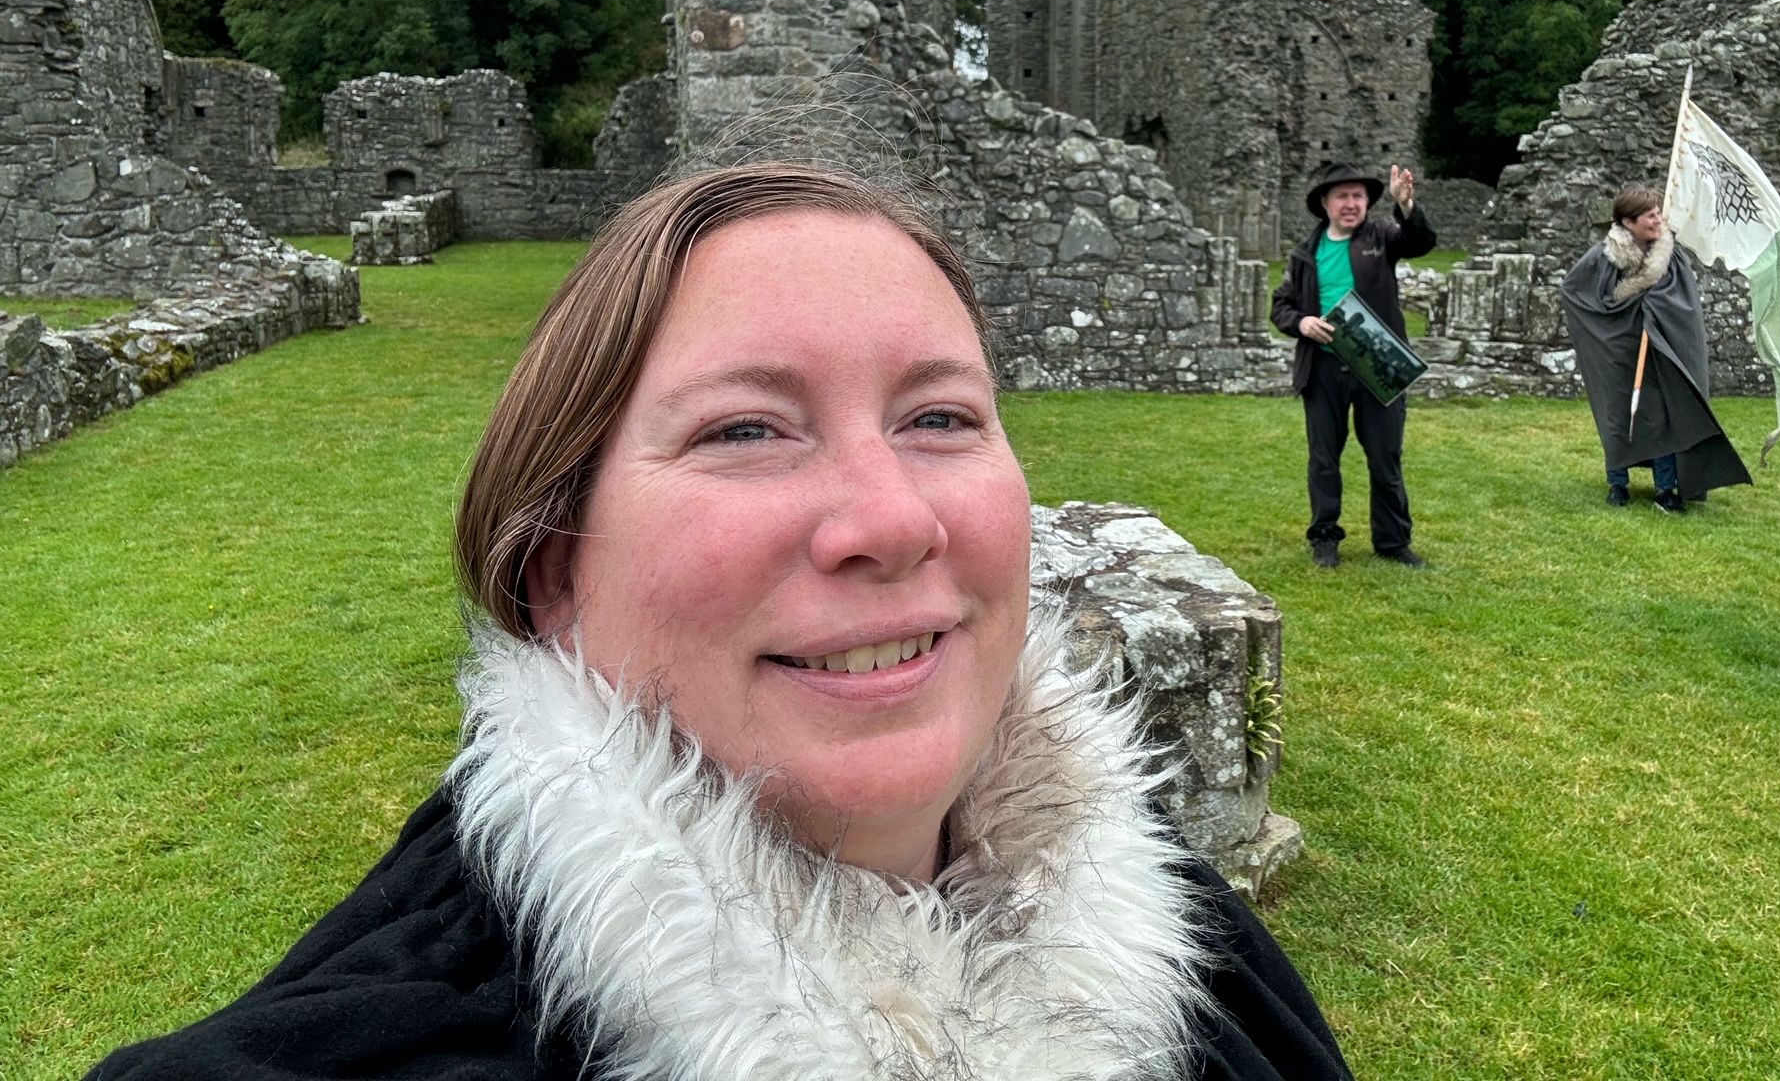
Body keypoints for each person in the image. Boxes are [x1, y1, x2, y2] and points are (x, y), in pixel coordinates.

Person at [90, 163, 1350, 1081]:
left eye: (941, 416)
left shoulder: (1193, 942)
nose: (890, 520)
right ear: (554, 573)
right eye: (745, 428)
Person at [1271, 161, 1435, 569]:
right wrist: (1302, 322)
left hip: (1378, 364)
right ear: (1325, 203)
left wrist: (1406, 205)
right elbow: (1282, 307)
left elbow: (1420, 242)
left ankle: (1393, 542)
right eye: (1342, 196)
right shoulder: (1305, 254)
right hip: (1324, 369)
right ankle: (1325, 537)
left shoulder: (1381, 237)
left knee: (1385, 456)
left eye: (1358, 196)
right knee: (1324, 459)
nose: (1351, 203)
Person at [1560, 186, 1751, 513]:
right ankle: (1617, 483)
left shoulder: (1670, 257)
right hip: (1617, 354)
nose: (1658, 220)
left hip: (1659, 349)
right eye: (1650, 215)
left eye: (1658, 212)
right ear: (1627, 222)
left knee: (1661, 417)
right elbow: (1575, 294)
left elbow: (1684, 305)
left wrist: (1657, 308)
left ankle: (1665, 488)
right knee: (1618, 415)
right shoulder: (1603, 256)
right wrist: (1616, 320)